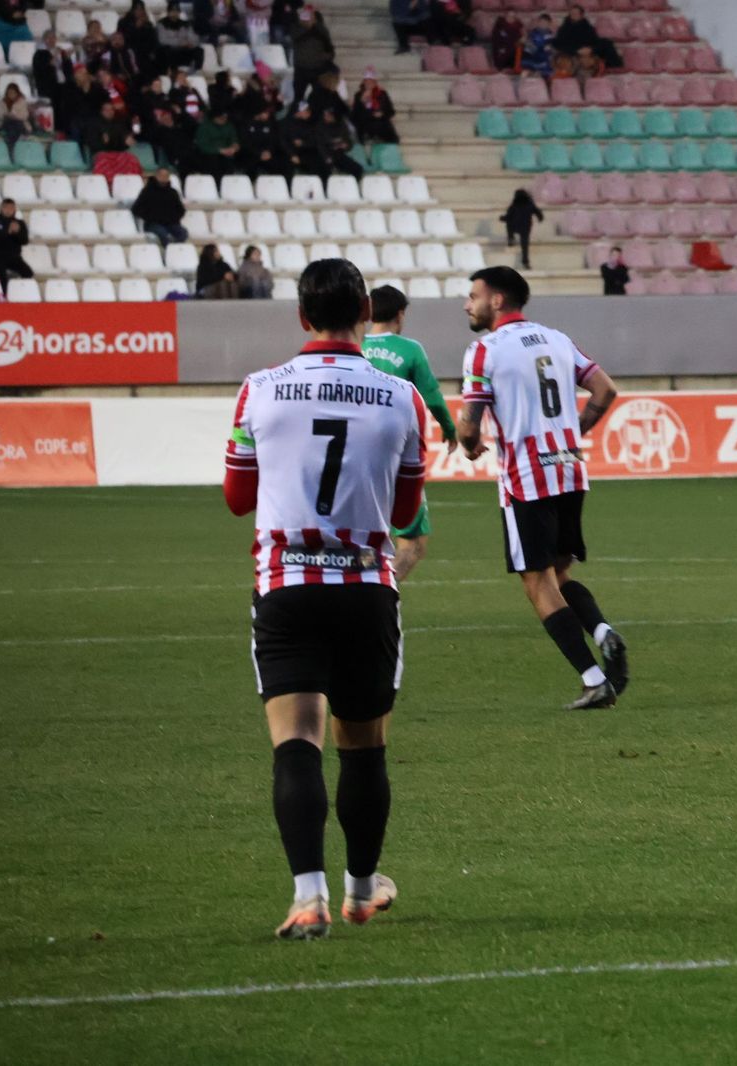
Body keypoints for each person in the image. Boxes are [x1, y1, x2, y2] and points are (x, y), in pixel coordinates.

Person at [222, 257, 427, 939]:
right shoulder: (402, 396)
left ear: (302, 316)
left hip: (287, 586)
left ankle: (306, 897)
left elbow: (236, 498)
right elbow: (404, 507)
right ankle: (363, 890)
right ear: (366, 310)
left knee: (296, 742)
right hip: (366, 586)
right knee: (363, 748)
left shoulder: (259, 390)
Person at [456, 267, 628, 710]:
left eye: (472, 296)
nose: (467, 304)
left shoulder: (484, 351)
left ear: (496, 301)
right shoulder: (556, 338)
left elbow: (470, 424)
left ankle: (594, 680)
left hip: (526, 481)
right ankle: (604, 633)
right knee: (560, 572)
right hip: (569, 470)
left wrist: (469, 445)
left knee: (537, 583)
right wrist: (573, 433)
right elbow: (604, 390)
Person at [362, 286, 458, 578]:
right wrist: (450, 429)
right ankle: (379, 595)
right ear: (400, 314)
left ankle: (353, 594)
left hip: (353, 457)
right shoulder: (410, 350)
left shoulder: (354, 346)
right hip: (395, 456)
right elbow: (431, 397)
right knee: (413, 543)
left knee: (363, 540)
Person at [133, 167, 190, 246]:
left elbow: (180, 210)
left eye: (166, 175)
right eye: (161, 175)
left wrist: (173, 218)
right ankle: (168, 252)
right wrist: (150, 217)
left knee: (183, 233)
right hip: (153, 224)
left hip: (171, 223)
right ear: (157, 176)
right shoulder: (147, 191)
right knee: (164, 235)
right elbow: (136, 209)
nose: (164, 178)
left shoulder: (173, 193)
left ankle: (174, 250)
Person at [290, 5, 334, 101]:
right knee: (298, 97)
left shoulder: (321, 29)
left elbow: (328, 46)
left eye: (310, 15)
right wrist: (308, 27)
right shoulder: (296, 27)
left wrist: (326, 57)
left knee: (319, 97)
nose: (308, 17)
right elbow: (296, 37)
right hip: (301, 69)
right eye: (306, 15)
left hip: (317, 69)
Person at [0, 198, 32, 286]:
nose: (8, 210)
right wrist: (8, 232)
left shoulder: (20, 223)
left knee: (28, 273)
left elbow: (25, 241)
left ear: (14, 209)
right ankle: (4, 297)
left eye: (11, 208)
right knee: (2, 278)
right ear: (1, 208)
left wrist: (18, 232)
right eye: (6, 208)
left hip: (14, 257)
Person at [499, 188, 543, 271]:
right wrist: (540, 218)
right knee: (524, 246)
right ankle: (525, 262)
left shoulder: (514, 205)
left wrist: (501, 218)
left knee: (509, 224)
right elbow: (538, 212)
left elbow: (508, 217)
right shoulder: (530, 204)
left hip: (515, 225)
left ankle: (511, 238)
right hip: (526, 227)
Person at [350, 70, 397, 145]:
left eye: (371, 82)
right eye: (366, 82)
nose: (368, 84)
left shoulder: (382, 94)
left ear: (375, 83)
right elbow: (354, 116)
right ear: (363, 83)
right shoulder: (358, 95)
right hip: (364, 124)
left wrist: (382, 114)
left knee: (383, 127)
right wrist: (361, 102)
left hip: (380, 122)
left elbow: (391, 111)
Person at [315, 108, 362, 178]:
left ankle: (351, 187)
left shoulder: (341, 124)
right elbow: (320, 145)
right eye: (325, 115)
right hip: (324, 156)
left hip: (339, 155)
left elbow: (348, 142)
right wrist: (327, 157)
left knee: (357, 169)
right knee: (326, 173)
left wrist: (346, 145)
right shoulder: (320, 127)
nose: (327, 117)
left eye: (329, 115)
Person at [193, 109, 241, 176]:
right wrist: (219, 151)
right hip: (210, 155)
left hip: (228, 153)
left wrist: (234, 146)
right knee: (214, 162)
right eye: (221, 118)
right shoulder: (204, 127)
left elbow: (234, 139)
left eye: (225, 117)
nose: (224, 119)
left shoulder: (229, 125)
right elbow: (202, 146)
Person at [0, 82, 29, 147]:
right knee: (10, 124)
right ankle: (10, 143)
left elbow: (25, 115)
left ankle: (9, 143)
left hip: (19, 123)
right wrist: (4, 114)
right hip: (6, 122)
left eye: (13, 93)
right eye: (9, 93)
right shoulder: (2, 102)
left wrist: (15, 116)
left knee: (17, 124)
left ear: (17, 93)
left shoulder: (22, 102)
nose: (11, 95)